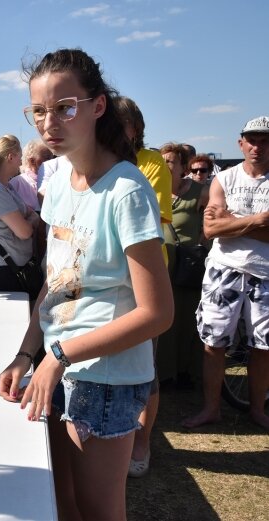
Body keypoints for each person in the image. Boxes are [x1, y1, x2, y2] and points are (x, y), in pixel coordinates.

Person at [0, 48, 172, 520]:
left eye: (64, 107)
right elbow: (56, 286)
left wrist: (58, 356)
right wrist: (25, 353)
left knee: (98, 509)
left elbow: (157, 313)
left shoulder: (127, 190)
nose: (49, 122)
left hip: (105, 379)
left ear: (97, 107)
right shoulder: (57, 185)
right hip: (59, 366)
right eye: (39, 110)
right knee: (60, 500)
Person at [183, 116, 269, 432]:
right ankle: (211, 409)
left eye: (264, 140)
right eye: (252, 140)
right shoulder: (225, 180)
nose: (257, 146)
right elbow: (209, 228)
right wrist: (259, 220)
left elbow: (220, 226)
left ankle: (257, 410)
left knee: (264, 347)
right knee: (213, 343)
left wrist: (230, 222)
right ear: (240, 143)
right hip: (224, 271)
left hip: (265, 274)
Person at [114, 95, 173, 479]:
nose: (116, 131)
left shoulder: (151, 165)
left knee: (144, 370)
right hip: (109, 282)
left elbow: (154, 220)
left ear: (136, 128)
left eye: (123, 124)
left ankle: (142, 441)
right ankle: (117, 438)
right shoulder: (102, 162)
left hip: (142, 282)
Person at [156, 143, 209, 389]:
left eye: (172, 161)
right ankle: (166, 374)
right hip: (164, 262)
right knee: (167, 319)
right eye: (163, 160)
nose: (167, 165)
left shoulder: (200, 191)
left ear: (182, 167)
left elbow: (214, 218)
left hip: (190, 264)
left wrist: (203, 239)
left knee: (190, 317)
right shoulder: (154, 191)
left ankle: (188, 372)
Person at [0, 135, 40, 291]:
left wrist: (28, 219)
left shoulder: (6, 187)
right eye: (20, 157)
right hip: (3, 270)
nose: (20, 162)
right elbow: (24, 232)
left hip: (8, 267)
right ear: (10, 157)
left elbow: (29, 215)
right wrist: (30, 222)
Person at [10, 138, 53, 212]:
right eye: (47, 158)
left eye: (52, 157)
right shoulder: (16, 183)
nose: (52, 161)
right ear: (32, 161)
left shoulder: (55, 180)